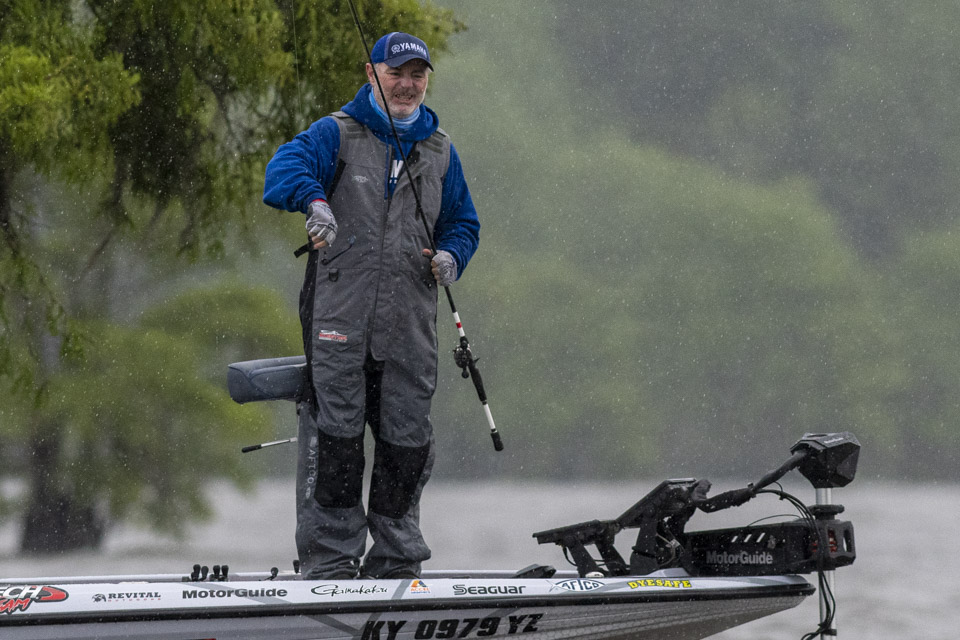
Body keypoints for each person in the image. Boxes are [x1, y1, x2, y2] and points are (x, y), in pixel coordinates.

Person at [262, 32, 480, 580]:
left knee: (407, 447)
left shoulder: (441, 151)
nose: (406, 85)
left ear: (426, 81)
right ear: (371, 73)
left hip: (410, 329)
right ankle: (330, 564)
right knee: (337, 444)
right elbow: (282, 171)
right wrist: (314, 202)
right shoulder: (335, 132)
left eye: (417, 75)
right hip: (338, 322)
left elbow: (464, 224)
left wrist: (452, 255)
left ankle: (396, 563)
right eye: (395, 73)